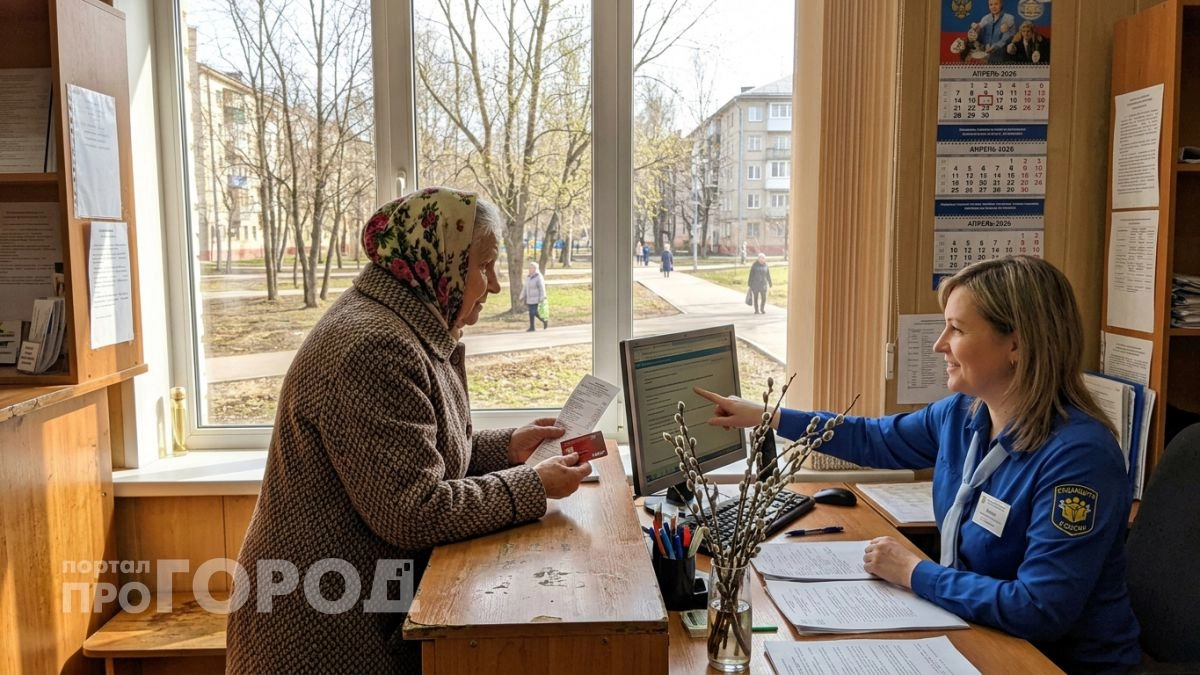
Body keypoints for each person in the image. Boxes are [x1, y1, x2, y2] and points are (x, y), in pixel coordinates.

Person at [695, 256, 1141, 674]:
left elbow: (1039, 609)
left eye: (956, 329)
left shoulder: (1079, 459)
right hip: (976, 631)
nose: (938, 344)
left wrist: (913, 572)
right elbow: (873, 438)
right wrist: (768, 416)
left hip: (1052, 662)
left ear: (1016, 344)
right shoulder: (963, 414)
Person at [226, 187, 593, 674]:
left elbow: (419, 452)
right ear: (439, 263)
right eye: (484, 266)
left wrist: (507, 448)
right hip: (319, 635)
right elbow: (413, 511)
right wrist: (532, 485)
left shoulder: (403, 324)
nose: (495, 285)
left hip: (351, 609)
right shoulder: (375, 348)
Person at [520, 260, 548, 331]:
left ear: (535, 269)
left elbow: (542, 288)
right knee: (531, 313)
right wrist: (522, 295)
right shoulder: (528, 277)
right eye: (529, 268)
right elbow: (525, 287)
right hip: (529, 298)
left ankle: (544, 320)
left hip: (536, 297)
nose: (530, 269)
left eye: (531, 268)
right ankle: (532, 327)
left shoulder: (538, 277)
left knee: (533, 312)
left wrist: (542, 297)